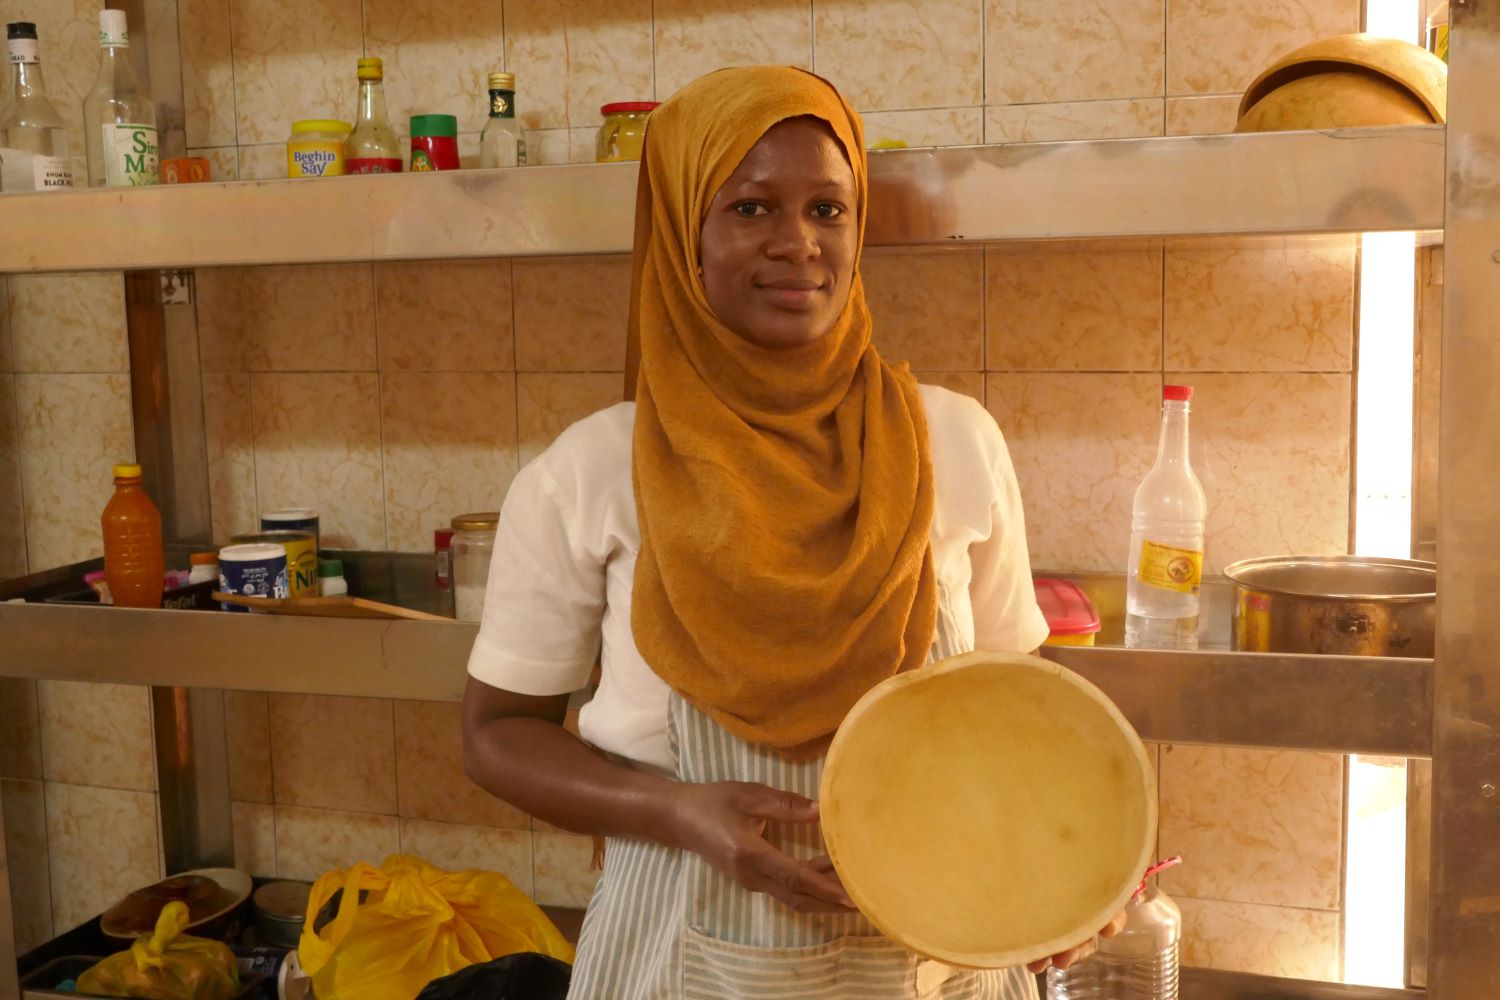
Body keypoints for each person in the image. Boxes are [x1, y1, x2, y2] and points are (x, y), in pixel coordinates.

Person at [462, 65, 1121, 999]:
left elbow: (1021, 710)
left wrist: (1080, 871)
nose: (798, 245)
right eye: (749, 209)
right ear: (683, 230)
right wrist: (680, 810)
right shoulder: (594, 470)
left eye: (827, 209)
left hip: (939, 951)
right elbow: (495, 734)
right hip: (676, 938)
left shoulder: (954, 442)